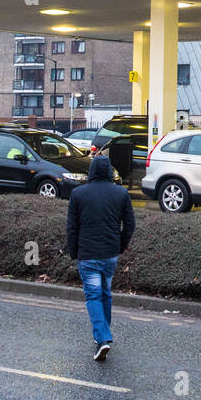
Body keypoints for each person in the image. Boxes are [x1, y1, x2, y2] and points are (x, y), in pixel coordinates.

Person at [65, 154, 136, 361]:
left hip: (88, 254)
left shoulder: (78, 194)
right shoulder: (121, 193)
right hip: (110, 254)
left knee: (93, 296)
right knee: (105, 294)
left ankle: (103, 339)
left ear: (91, 171)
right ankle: (101, 337)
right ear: (109, 172)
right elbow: (130, 225)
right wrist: (120, 245)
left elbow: (72, 227)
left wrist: (73, 250)